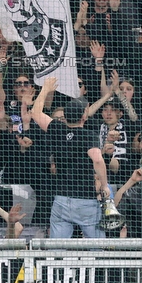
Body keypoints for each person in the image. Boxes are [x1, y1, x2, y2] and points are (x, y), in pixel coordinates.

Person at [30, 77, 109, 238]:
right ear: (83, 117)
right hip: (86, 199)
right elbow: (98, 159)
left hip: (62, 200)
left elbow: (35, 113)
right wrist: (105, 185)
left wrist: (45, 89)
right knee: (97, 247)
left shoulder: (57, 129)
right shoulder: (89, 135)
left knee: (57, 251)